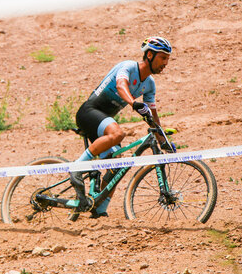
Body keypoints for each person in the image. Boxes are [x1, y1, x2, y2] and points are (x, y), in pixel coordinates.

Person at [70, 36, 174, 218]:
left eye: (168, 59)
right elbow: (121, 85)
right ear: (149, 55)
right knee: (118, 133)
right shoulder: (128, 67)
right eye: (163, 57)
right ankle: (76, 168)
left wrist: (162, 139)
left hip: (102, 123)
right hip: (89, 112)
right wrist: (133, 103)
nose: (166, 63)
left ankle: (99, 209)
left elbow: (153, 115)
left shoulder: (149, 84)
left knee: (117, 167)